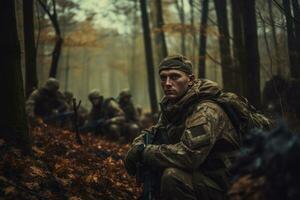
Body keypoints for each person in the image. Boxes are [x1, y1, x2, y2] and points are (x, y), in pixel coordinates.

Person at [124, 55, 241, 199]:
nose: (167, 83)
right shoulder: (173, 107)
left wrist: (145, 152)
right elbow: (154, 132)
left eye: (175, 77)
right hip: (202, 175)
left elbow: (189, 155)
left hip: (226, 183)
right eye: (163, 77)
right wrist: (137, 147)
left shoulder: (206, 110)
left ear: (190, 80)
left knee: (172, 177)